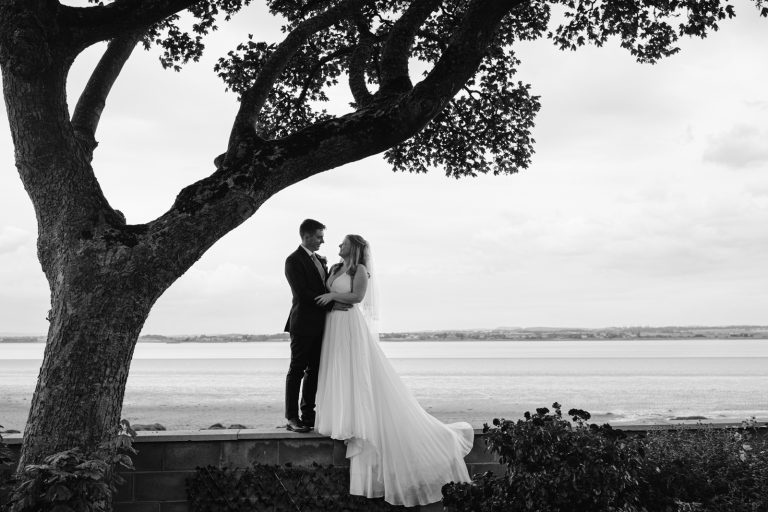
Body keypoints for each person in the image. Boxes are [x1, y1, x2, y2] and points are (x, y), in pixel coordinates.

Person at [314, 235, 474, 507]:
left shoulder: (359, 270)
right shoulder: (333, 269)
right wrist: (330, 300)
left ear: (353, 247)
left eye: (342, 243)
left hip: (349, 327)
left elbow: (357, 296)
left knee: (356, 374)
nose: (337, 246)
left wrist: (332, 295)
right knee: (338, 371)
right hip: (333, 326)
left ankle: (364, 420)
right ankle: (340, 417)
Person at [283, 219, 350, 433]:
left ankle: (309, 416)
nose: (323, 241)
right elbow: (302, 293)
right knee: (297, 370)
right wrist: (331, 301)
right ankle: (292, 418)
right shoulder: (293, 260)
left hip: (322, 324)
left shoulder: (321, 260)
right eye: (320, 236)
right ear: (307, 236)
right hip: (302, 323)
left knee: (315, 371)